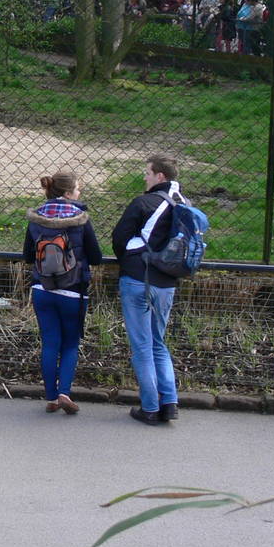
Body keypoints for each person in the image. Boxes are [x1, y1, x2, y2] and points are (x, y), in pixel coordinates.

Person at [111, 155, 186, 426]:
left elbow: (119, 238)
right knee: (158, 343)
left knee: (142, 345)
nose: (145, 177)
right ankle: (170, 403)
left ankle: (150, 408)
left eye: (148, 173)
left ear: (160, 177)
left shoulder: (144, 203)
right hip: (167, 284)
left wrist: (128, 261)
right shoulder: (185, 205)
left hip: (137, 279)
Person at [22, 171, 103, 414]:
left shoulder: (36, 218)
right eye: (77, 189)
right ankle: (64, 392)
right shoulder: (80, 218)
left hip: (42, 289)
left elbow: (27, 256)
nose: (79, 193)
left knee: (49, 343)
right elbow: (96, 257)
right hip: (73, 291)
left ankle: (50, 396)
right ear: (68, 193)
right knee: (70, 344)